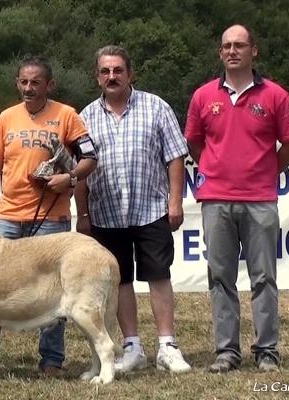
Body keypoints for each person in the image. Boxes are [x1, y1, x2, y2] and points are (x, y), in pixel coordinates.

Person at [184, 24, 289, 373]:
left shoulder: (276, 96)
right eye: (226, 46)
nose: (232, 51)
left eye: (239, 45)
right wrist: (214, 168)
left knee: (263, 277)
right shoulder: (203, 96)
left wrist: (267, 173)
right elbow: (194, 141)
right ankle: (227, 352)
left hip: (260, 200)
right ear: (220, 53)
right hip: (216, 200)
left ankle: (267, 350)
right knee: (220, 277)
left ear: (254, 50)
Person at [0, 56, 97, 378]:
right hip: (9, 216)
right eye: (24, 82)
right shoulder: (6, 118)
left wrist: (68, 180)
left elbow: (90, 158)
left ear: (49, 85)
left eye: (35, 83)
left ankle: (52, 361)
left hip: (52, 219)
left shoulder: (66, 115)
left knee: (54, 290)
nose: (28, 88)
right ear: (17, 83)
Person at [75, 45, 192, 374]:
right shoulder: (85, 117)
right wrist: (83, 215)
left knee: (158, 275)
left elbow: (175, 157)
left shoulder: (156, 107)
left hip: (152, 208)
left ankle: (167, 346)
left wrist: (174, 200)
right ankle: (133, 347)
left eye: (117, 70)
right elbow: (78, 171)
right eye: (105, 71)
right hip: (106, 213)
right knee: (120, 280)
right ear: (98, 77)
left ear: (130, 73)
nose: (111, 76)